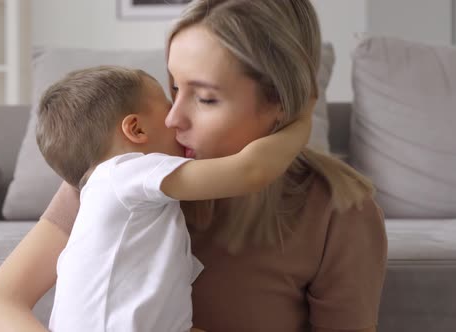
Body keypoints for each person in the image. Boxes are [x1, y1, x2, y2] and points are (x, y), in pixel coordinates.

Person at [0, 1, 387, 332]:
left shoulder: (338, 209)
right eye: (172, 87)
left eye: (204, 98)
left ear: (282, 102)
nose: (172, 119)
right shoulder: (120, 170)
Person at [36, 65, 312, 332]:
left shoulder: (108, 198)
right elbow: (251, 171)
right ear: (136, 129)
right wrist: (300, 121)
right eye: (169, 108)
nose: (177, 119)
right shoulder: (125, 172)